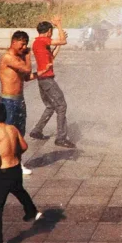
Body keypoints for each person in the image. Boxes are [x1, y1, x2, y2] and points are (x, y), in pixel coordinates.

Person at [0, 102, 42, 243]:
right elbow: (24, 147)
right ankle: (31, 211)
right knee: (18, 189)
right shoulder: (12, 129)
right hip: (16, 168)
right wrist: (14, 154)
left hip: (3, 172)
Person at [0, 30, 47, 175]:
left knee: (19, 133)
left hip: (19, 100)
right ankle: (1, 166)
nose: (24, 47)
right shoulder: (8, 58)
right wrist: (28, 55)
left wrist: (41, 73)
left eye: (26, 44)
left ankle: (17, 163)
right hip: (8, 101)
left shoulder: (17, 58)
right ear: (13, 42)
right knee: (8, 135)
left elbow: (25, 77)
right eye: (22, 44)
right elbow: (26, 68)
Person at [29, 17, 75, 149]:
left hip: (43, 80)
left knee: (50, 106)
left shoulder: (40, 43)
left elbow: (52, 56)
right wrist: (59, 25)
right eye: (52, 31)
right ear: (49, 31)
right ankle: (61, 138)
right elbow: (63, 41)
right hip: (47, 80)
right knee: (61, 106)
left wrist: (58, 45)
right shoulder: (42, 40)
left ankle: (37, 130)